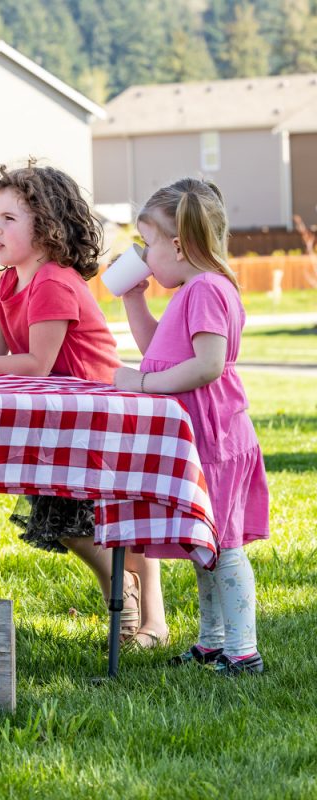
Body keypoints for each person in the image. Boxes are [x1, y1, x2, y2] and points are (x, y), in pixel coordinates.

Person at [0, 161, 168, 648]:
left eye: (9, 218)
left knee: (110, 522)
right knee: (66, 523)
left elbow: (35, 363)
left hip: (98, 417)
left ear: (48, 226)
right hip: (57, 420)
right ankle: (127, 595)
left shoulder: (53, 280)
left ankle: (147, 614)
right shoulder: (11, 282)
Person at [113, 177, 269, 675]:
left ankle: (243, 651)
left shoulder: (204, 289)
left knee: (222, 548)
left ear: (178, 245)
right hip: (202, 440)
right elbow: (160, 349)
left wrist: (140, 386)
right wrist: (134, 300)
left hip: (216, 440)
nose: (144, 254)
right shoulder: (191, 289)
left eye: (149, 243)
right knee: (206, 547)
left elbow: (208, 365)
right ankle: (213, 642)